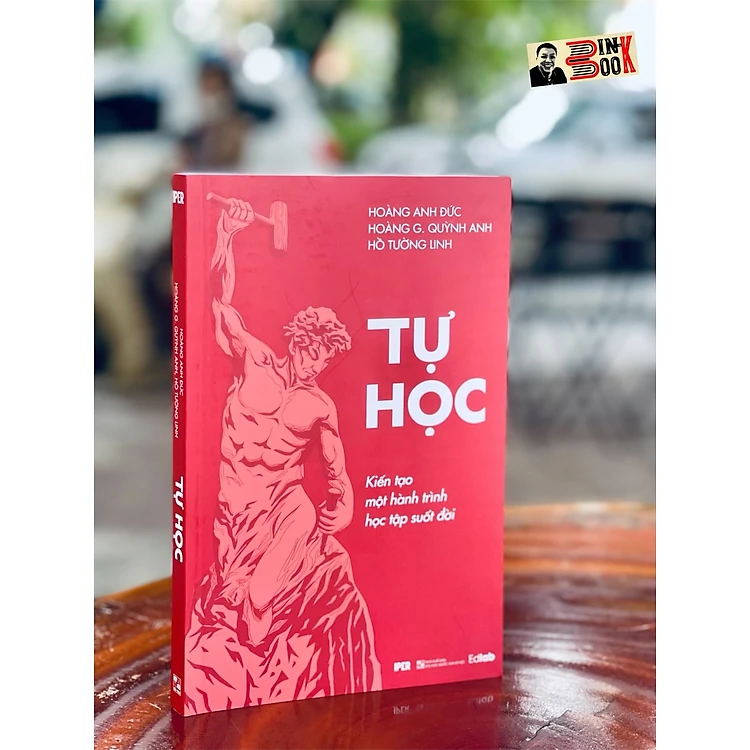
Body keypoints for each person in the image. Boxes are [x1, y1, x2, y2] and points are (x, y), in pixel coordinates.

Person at [183, 198, 381, 713]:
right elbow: (217, 303)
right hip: (238, 509)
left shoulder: (319, 406)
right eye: (313, 350)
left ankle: (265, 700)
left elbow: (337, 470)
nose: (317, 364)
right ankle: (249, 699)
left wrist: (345, 502)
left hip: (289, 508)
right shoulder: (254, 361)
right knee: (235, 606)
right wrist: (226, 235)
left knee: (259, 600)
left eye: (326, 357)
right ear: (298, 341)